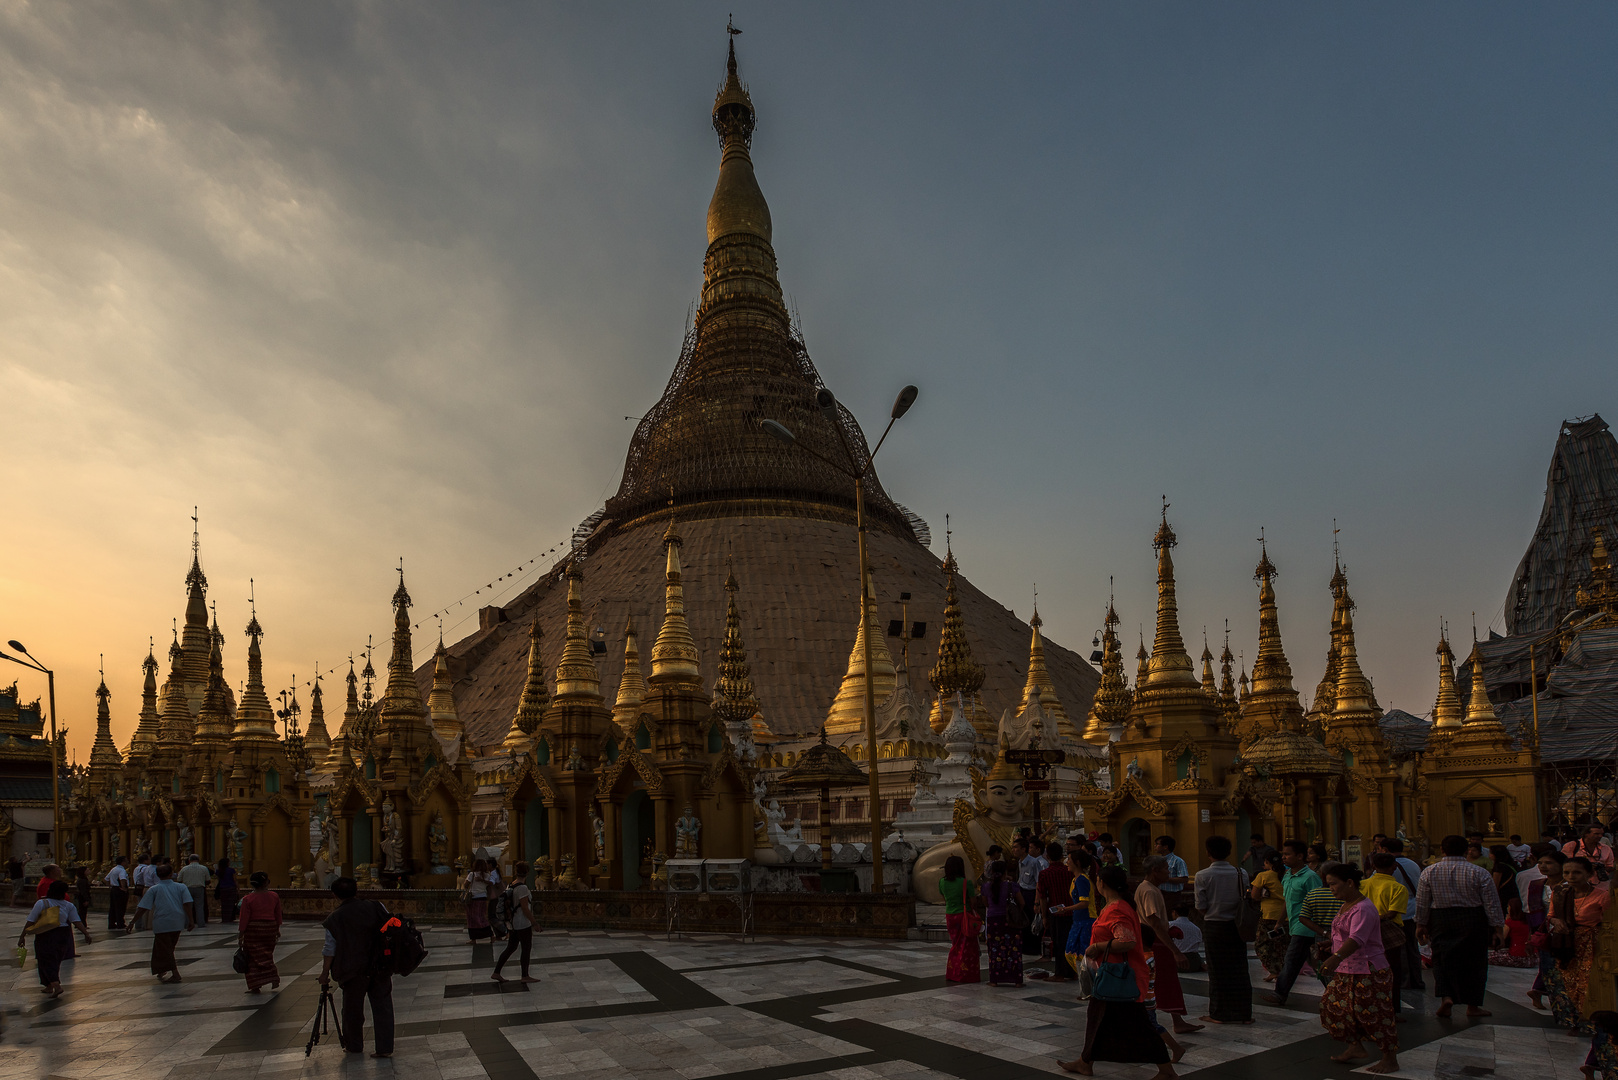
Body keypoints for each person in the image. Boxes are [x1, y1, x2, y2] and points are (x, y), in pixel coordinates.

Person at [1057, 863, 1178, 1079]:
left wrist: (1097, 947)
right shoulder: (1114, 906)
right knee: (1098, 1019)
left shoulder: (1116, 909)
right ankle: (1086, 1061)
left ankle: (1167, 1070)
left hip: (1121, 977)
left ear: (1101, 883)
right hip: (1112, 974)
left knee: (1139, 1025)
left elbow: (1127, 941)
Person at [1317, 863, 1399, 1074]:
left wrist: (1336, 957)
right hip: (1348, 967)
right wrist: (1332, 945)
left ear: (1350, 883)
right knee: (1333, 1007)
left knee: (1374, 1014)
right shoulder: (1346, 905)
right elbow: (1345, 934)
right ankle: (1355, 1045)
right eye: (1329, 884)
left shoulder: (1363, 908)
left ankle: (1390, 1058)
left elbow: (1357, 938)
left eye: (1334, 884)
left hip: (1368, 968)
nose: (1331, 889)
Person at [1416, 833, 1506, 1019]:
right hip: (1473, 918)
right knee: (1475, 961)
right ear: (1466, 851)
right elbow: (1492, 903)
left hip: (1441, 918)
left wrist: (1421, 923)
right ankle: (1472, 1006)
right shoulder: (1479, 872)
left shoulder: (1429, 872)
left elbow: (1422, 902)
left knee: (1441, 959)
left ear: (1442, 850)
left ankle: (1446, 997)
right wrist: (1497, 929)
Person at [320, 876, 393, 1058]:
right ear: (356, 890)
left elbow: (330, 949)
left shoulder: (334, 918)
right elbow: (390, 927)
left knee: (352, 1010)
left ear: (335, 895)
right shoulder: (376, 906)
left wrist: (324, 973)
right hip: (379, 966)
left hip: (352, 970)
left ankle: (354, 1045)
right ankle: (384, 1048)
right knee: (382, 1007)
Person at [1546, 855, 1612, 1035]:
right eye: (1567, 872)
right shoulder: (1559, 892)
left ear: (1589, 874)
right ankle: (1574, 1022)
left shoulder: (1601, 896)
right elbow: (1551, 915)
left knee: (1587, 985)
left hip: (1591, 943)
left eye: (1577, 872)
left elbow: (1610, 924)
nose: (1571, 876)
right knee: (1568, 984)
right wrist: (1556, 921)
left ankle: (1591, 1024)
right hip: (1566, 943)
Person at [1138, 855, 1201, 1034]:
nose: (1169, 872)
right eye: (1166, 869)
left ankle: (1177, 1020)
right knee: (1166, 981)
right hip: (1156, 940)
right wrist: (1175, 951)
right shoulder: (1149, 891)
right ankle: (1168, 1021)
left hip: (1154, 938)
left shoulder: (1149, 888)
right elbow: (1154, 922)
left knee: (1164, 982)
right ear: (1154, 871)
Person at [1194, 833, 1252, 1024]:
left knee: (1217, 970)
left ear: (1208, 852)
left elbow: (1201, 906)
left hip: (1214, 926)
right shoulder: (1240, 873)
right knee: (1239, 969)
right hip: (1236, 926)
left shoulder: (1202, 875)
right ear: (1228, 852)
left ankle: (1218, 1013)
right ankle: (1243, 1012)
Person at [1264, 838, 1323, 1006]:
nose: (1284, 857)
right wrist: (1280, 921)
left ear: (1300, 856)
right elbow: (1287, 901)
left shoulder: (1310, 877)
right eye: (1283, 854)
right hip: (1295, 924)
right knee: (1312, 962)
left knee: (1292, 960)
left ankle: (1279, 994)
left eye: (1288, 854)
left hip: (1307, 925)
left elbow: (1317, 901)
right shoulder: (1288, 875)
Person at [17, 879, 91, 998]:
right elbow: (76, 921)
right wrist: (86, 934)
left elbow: (30, 920)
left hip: (46, 934)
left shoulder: (42, 903)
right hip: (63, 934)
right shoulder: (69, 905)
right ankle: (48, 985)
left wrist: (22, 936)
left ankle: (56, 986)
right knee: (55, 960)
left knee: (45, 959)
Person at [1363, 853, 1411, 1015]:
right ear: (1394, 867)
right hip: (1389, 931)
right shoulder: (1398, 888)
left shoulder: (1362, 885)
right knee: (1392, 970)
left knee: (1367, 969)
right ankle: (1392, 1009)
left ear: (1374, 867)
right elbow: (1391, 914)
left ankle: (1369, 1005)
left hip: (1365, 930)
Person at [1378, 836, 1425, 991]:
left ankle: (1404, 982)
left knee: (1398, 949)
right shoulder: (1413, 864)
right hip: (1412, 909)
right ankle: (1416, 980)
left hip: (1394, 912)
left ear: (1384, 850)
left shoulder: (1385, 867)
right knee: (1413, 948)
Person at [134, 861, 194, 982]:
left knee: (165, 948)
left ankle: (175, 973)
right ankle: (161, 969)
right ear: (171, 874)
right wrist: (191, 920)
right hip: (177, 921)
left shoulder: (154, 889)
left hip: (162, 922)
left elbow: (143, 907)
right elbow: (187, 904)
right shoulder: (181, 887)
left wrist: (132, 922)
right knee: (167, 947)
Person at [1528, 850, 1567, 1010]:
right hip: (1545, 931)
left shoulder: (1568, 885)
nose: (1543, 866)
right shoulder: (1537, 885)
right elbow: (1532, 910)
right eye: (1541, 863)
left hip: (1564, 931)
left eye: (1549, 863)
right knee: (1547, 966)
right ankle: (1557, 1004)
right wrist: (1532, 935)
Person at [1055, 848, 1098, 982]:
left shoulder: (1081, 880)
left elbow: (1084, 903)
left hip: (1086, 920)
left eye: (1069, 860)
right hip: (1079, 920)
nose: (1066, 863)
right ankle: (1086, 983)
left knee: (1081, 954)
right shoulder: (1076, 879)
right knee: (1074, 953)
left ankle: (1089, 984)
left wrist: (1066, 909)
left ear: (1077, 863)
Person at [492, 861, 538, 983]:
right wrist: (534, 922)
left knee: (511, 947)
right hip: (522, 923)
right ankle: (525, 975)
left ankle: (496, 972)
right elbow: (524, 908)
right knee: (526, 948)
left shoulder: (511, 885)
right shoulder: (522, 888)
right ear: (527, 872)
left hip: (512, 923)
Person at [237, 870, 283, 993]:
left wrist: (241, 935)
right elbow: (278, 914)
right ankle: (273, 977)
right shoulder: (274, 896)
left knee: (253, 957)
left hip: (253, 929)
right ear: (266, 883)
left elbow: (244, 918)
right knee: (267, 954)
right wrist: (277, 929)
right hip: (269, 928)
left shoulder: (248, 899)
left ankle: (255, 985)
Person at [1036, 842, 1075, 980]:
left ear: (1047, 856)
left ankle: (1059, 973)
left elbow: (1043, 896)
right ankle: (1072, 971)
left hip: (1056, 912)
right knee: (1070, 941)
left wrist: (1044, 916)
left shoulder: (1045, 874)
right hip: (1072, 910)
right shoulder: (1069, 871)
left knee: (1059, 943)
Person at [983, 859, 1025, 987]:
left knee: (994, 950)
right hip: (1009, 921)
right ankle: (1017, 980)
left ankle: (994, 979)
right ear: (1005, 872)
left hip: (993, 921)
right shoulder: (1012, 886)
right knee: (1014, 949)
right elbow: (1022, 903)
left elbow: (985, 904)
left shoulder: (986, 886)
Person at [940, 853, 981, 983]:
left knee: (956, 944)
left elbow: (944, 898)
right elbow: (973, 902)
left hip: (950, 915)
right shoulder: (965, 883)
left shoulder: (942, 882)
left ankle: (953, 972)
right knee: (967, 946)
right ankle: (967, 974)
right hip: (964, 916)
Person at [1250, 848, 1288, 982]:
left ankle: (1274, 970)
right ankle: (1283, 971)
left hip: (1269, 916)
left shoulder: (1263, 876)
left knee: (1262, 944)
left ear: (1267, 862)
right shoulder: (1288, 874)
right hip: (1286, 916)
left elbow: (1254, 896)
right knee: (1281, 945)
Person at [1014, 837, 1047, 955]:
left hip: (1032, 894)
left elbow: (1039, 882)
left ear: (1024, 849)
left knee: (1032, 920)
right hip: (1022, 892)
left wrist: (1037, 901)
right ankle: (1025, 946)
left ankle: (1034, 948)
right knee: (1023, 920)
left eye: (1016, 847)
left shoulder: (1034, 862)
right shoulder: (1020, 862)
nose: (1014, 850)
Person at [463, 858, 493, 943]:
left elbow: (465, 885)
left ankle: (474, 938)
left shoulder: (472, 874)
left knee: (471, 918)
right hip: (483, 897)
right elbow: (490, 885)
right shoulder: (487, 875)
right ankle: (490, 935)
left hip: (473, 898)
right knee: (481, 916)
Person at [177, 854, 210, 926]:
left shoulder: (184, 869)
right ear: (198, 860)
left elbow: (179, 880)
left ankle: (187, 923)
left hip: (187, 888)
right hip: (199, 888)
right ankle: (201, 923)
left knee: (188, 907)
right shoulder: (204, 868)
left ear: (189, 860)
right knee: (199, 907)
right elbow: (208, 880)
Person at [1155, 836, 1189, 903]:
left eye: (1157, 844)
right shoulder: (1157, 860)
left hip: (1171, 894)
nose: (1155, 846)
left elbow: (1184, 879)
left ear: (1165, 847)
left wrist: (1166, 879)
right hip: (1159, 892)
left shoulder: (1177, 861)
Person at [131, 854, 156, 930]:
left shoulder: (136, 868)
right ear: (145, 860)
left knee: (140, 906)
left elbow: (137, 877)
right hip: (143, 887)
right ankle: (143, 923)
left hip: (138, 887)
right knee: (145, 907)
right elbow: (140, 877)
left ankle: (139, 923)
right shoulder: (145, 868)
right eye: (149, 859)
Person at [106, 855, 130, 931]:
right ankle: (120, 923)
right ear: (123, 862)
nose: (127, 862)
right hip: (119, 890)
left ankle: (111, 923)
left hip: (114, 889)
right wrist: (124, 888)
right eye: (126, 861)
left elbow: (106, 879)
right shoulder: (122, 870)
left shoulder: (113, 869)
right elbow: (122, 879)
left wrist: (110, 886)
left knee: (113, 907)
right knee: (121, 907)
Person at [216, 857, 240, 922]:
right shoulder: (231, 870)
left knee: (224, 904)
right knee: (231, 904)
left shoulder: (219, 871)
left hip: (222, 888)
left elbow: (219, 880)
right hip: (231, 888)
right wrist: (238, 888)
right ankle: (230, 917)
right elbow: (235, 879)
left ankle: (224, 918)